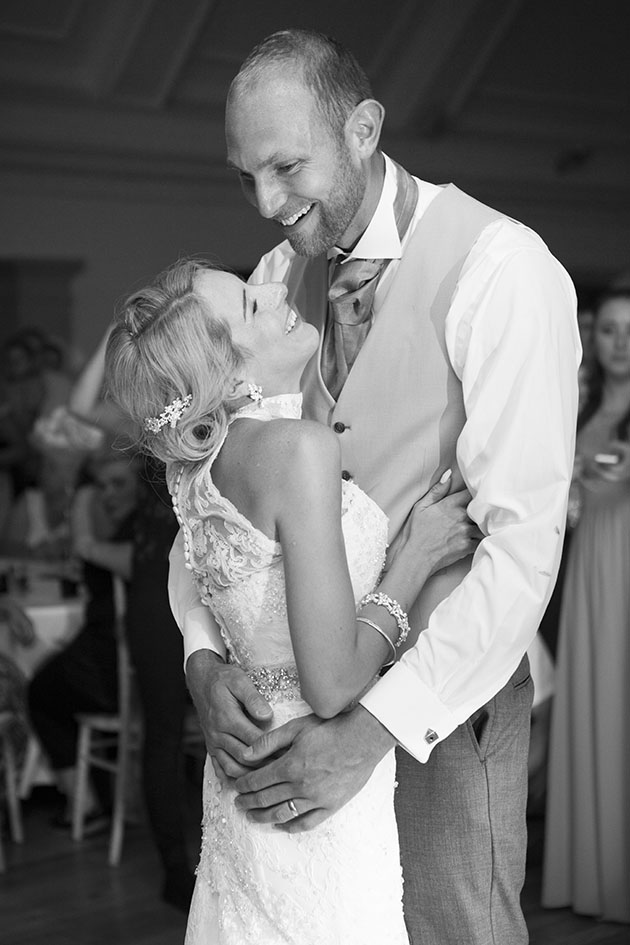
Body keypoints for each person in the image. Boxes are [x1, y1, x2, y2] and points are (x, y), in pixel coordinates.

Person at [168, 29, 581, 945]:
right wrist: (203, 653)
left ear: (362, 128)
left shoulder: (503, 270)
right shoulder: (277, 280)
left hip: (439, 691)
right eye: (245, 175)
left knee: (451, 928)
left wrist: (372, 730)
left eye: (285, 166)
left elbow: (519, 551)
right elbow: (207, 500)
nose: (268, 204)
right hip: (293, 705)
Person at [105, 255, 478, 944]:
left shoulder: (197, 472)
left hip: (246, 778)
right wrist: (416, 557)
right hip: (316, 775)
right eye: (251, 304)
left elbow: (197, 575)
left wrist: (206, 662)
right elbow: (333, 684)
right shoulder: (297, 451)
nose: (276, 287)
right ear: (230, 375)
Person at [67, 327, 196, 911]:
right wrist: (114, 334)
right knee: (164, 731)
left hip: (217, 584)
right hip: (153, 589)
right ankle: (176, 867)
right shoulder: (153, 427)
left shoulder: (233, 407)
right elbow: (76, 413)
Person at [542, 288, 630, 923]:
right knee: (595, 699)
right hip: (591, 563)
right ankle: (593, 876)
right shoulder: (581, 403)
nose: (621, 341)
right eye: (609, 330)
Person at [27, 444, 139, 827]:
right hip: (112, 654)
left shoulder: (148, 528)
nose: (108, 493)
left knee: (40, 690)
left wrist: (87, 545)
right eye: (102, 485)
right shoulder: (130, 522)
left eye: (117, 483)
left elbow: (136, 563)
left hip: (117, 664)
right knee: (49, 675)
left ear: (140, 483)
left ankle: (85, 805)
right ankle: (96, 798)